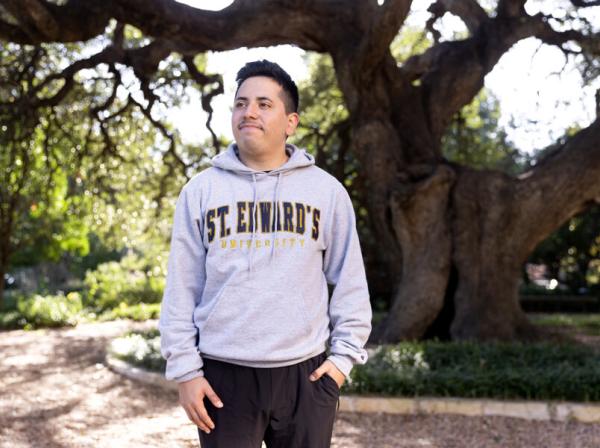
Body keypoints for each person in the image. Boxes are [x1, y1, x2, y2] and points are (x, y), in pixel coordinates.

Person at [158, 59, 372, 448]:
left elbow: (350, 284)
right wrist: (186, 373)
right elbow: (181, 288)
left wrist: (340, 365)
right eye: (240, 104)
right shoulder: (201, 191)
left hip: (306, 379)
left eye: (263, 104)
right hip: (224, 377)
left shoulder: (326, 193)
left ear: (291, 122)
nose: (248, 112)